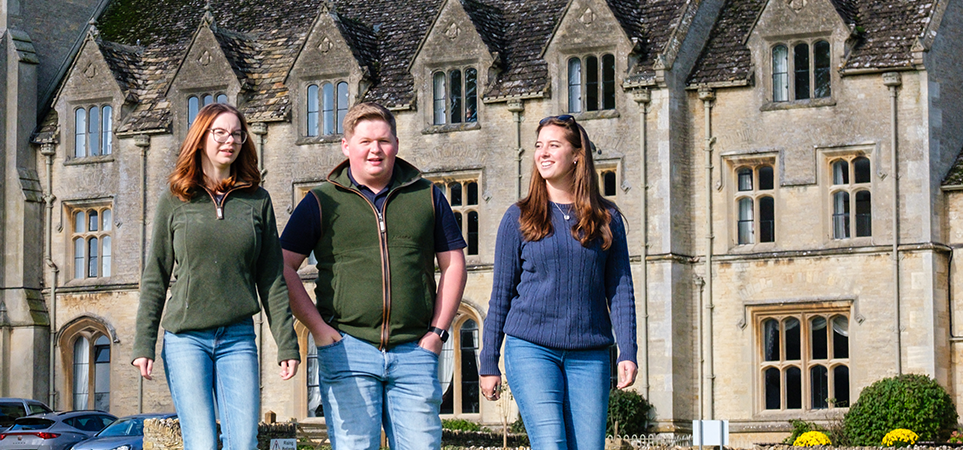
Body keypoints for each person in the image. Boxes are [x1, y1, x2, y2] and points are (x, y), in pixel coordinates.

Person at [280, 102, 468, 450]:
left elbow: (454, 263)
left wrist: (438, 333)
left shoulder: (427, 196)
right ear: (346, 146)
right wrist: (320, 330)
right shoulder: (320, 201)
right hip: (348, 350)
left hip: (415, 350)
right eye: (365, 141)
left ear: (396, 143)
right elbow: (282, 266)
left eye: (383, 140)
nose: (375, 149)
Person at [133, 102, 300, 450]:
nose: (230, 140)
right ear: (201, 138)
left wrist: (287, 342)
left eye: (237, 134)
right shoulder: (175, 198)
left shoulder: (258, 201)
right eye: (220, 132)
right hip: (185, 339)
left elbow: (271, 277)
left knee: (244, 444)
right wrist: (143, 344)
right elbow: (156, 275)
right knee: (203, 443)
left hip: (237, 338)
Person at [478, 115, 638, 450]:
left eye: (554, 145)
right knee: (551, 443)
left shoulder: (606, 220)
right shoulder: (518, 218)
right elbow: (502, 294)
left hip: (590, 353)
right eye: (539, 146)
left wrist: (628, 351)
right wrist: (489, 360)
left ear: (577, 155)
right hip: (531, 348)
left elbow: (620, 289)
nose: (543, 153)